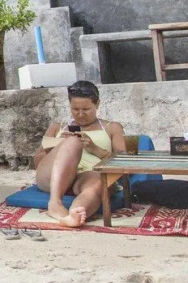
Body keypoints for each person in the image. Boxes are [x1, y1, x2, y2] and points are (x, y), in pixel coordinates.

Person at [32, 80, 126, 227]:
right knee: (73, 142)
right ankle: (55, 203)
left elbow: (123, 163)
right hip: (52, 177)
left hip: (87, 175)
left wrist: (95, 149)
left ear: (97, 104)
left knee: (99, 183)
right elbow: (37, 162)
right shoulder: (57, 127)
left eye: (86, 109)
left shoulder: (112, 128)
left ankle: (76, 213)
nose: (80, 114)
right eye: (75, 109)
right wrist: (58, 146)